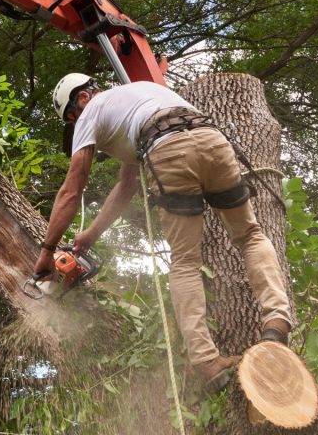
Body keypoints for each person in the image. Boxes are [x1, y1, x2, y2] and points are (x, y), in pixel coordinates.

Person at [35, 73, 293, 392]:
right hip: (213, 139)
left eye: (72, 118)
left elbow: (72, 191)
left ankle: (206, 361)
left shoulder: (91, 111)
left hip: (167, 148)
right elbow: (126, 186)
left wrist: (46, 252)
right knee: (250, 235)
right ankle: (278, 320)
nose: (76, 125)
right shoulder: (139, 96)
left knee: (185, 260)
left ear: (82, 98)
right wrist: (90, 235)